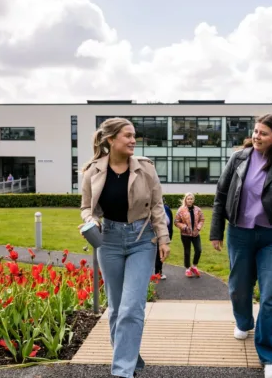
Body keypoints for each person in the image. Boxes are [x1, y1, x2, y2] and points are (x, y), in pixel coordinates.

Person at [209, 114, 272, 378]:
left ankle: (270, 356)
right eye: (255, 131)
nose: (256, 136)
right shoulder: (239, 158)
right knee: (239, 288)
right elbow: (221, 194)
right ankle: (243, 320)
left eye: (263, 133)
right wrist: (216, 230)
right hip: (241, 234)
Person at [79, 117, 171, 378]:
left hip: (142, 240)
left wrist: (163, 239)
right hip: (108, 240)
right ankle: (129, 355)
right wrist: (90, 219)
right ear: (111, 140)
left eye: (134, 136)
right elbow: (87, 207)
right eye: (127, 136)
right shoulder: (92, 171)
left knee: (132, 307)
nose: (133, 141)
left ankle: (122, 371)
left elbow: (156, 205)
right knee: (117, 309)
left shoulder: (145, 168)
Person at [174, 192, 205, 277]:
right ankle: (187, 269)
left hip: (195, 234)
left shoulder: (198, 210)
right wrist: (184, 227)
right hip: (185, 235)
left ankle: (194, 266)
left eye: (191, 199)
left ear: (193, 200)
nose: (190, 200)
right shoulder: (181, 210)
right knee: (187, 252)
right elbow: (176, 222)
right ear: (186, 200)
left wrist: (198, 227)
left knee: (198, 250)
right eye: (188, 199)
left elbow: (202, 219)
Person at [155, 199, 173, 280]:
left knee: (160, 255)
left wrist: (169, 237)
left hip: (163, 236)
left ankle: (158, 272)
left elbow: (170, 224)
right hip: (152, 236)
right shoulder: (152, 209)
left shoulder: (167, 209)